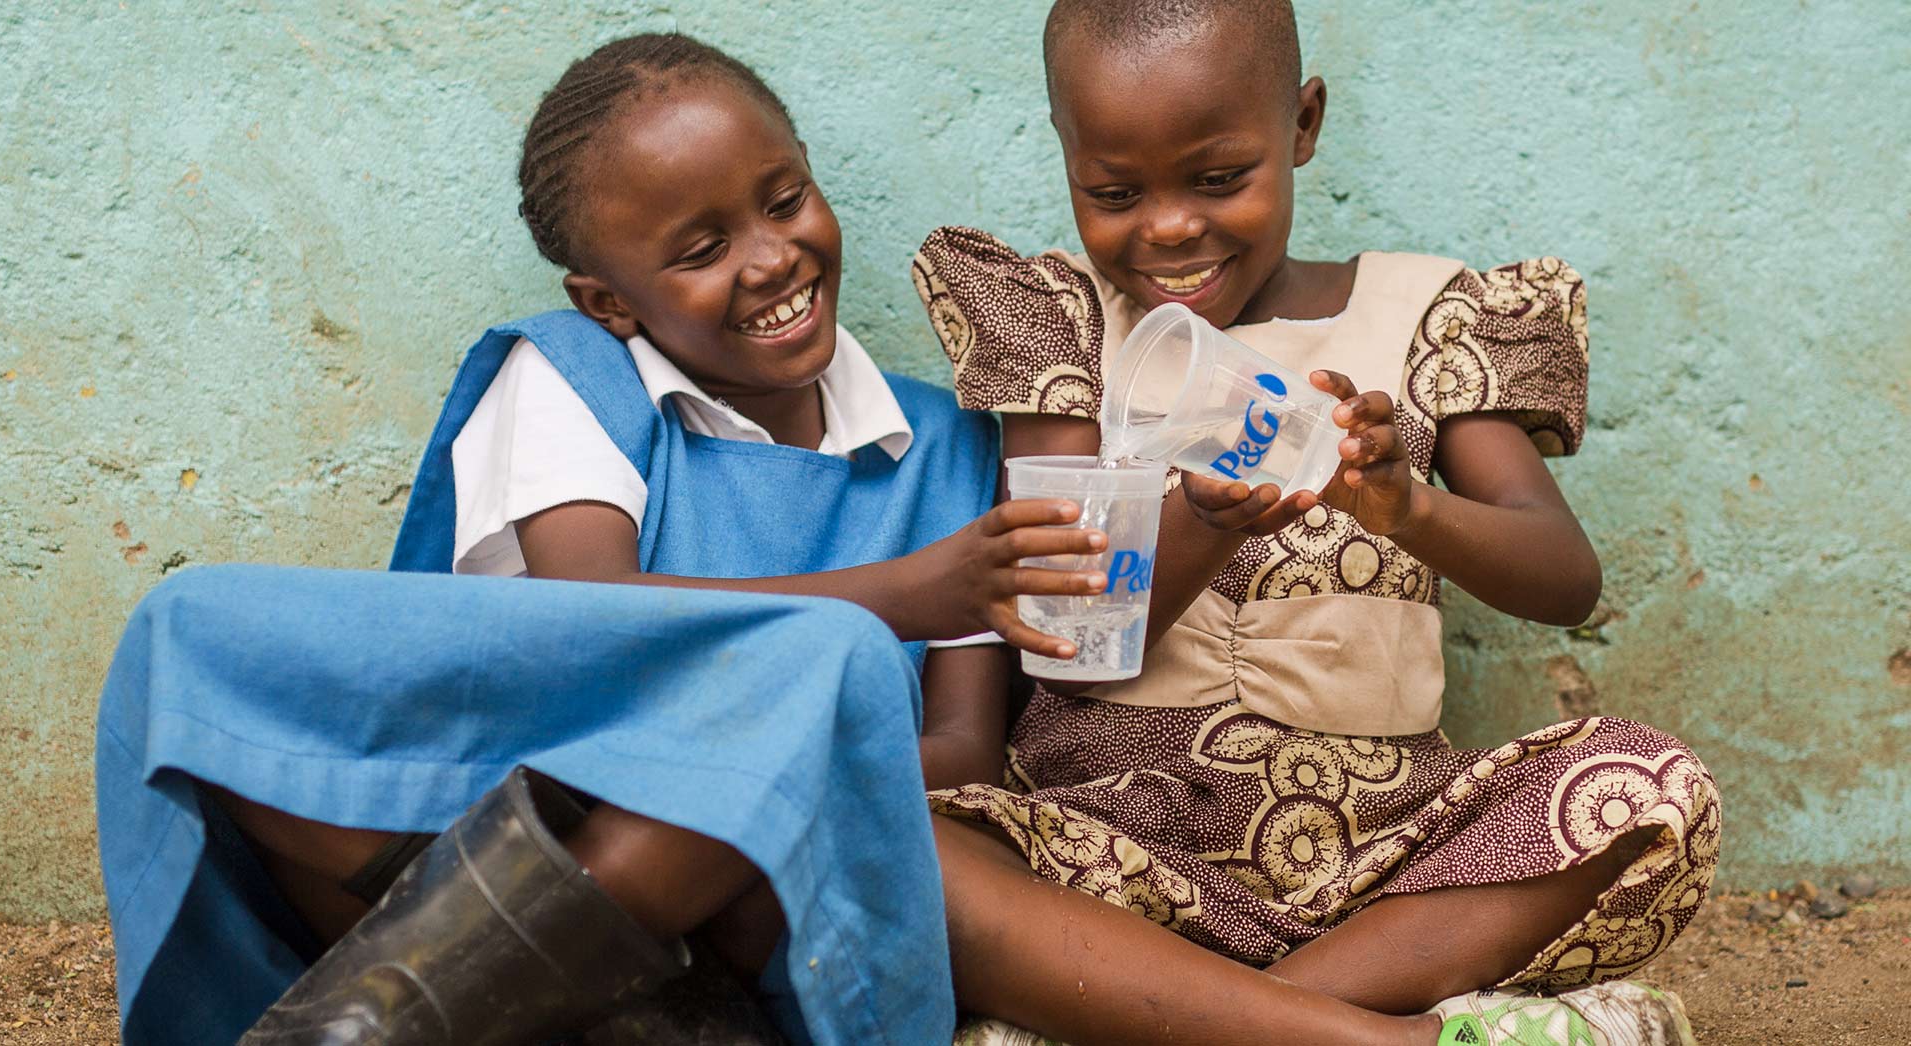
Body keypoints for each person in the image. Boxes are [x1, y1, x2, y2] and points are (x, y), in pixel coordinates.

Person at [101, 32, 1456, 1046]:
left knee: (822, 697)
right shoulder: (569, 374)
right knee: (192, 622)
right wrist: (904, 597)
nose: (769, 257)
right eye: (697, 247)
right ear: (608, 298)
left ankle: (380, 1025)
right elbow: (600, 641)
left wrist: (825, 722)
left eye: (783, 197)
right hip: (475, 806)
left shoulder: (936, 442)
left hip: (749, 866)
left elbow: (959, 749)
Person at [911, 2, 1720, 1042]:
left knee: (1648, 789)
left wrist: (1410, 505)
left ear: (1301, 126)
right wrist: (1201, 520)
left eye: (1217, 178)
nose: (1166, 227)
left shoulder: (1423, 316)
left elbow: (1565, 577)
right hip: (1112, 849)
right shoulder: (1065, 328)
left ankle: (1169, 1021)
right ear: (1067, 156)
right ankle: (1392, 1034)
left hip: (1378, 864)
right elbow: (1068, 648)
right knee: (916, 849)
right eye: (1114, 192)